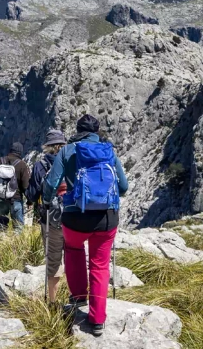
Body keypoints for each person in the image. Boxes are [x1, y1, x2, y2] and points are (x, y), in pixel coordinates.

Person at [44, 114, 129, 336]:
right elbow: (124, 186)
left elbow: (52, 182)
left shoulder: (67, 150)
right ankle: (97, 320)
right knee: (100, 265)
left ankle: (79, 296)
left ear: (78, 129)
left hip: (75, 216)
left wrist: (46, 199)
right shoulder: (108, 150)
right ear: (96, 131)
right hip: (106, 218)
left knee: (73, 249)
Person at [26, 129, 68, 302]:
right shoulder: (72, 162)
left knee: (53, 261)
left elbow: (32, 195)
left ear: (47, 147)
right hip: (75, 219)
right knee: (76, 257)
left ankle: (53, 302)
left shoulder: (40, 166)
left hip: (51, 219)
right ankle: (77, 299)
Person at [0, 142, 30, 232]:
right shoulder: (22, 165)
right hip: (16, 199)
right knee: (18, 226)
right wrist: (29, 201)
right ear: (20, 152)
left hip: (1, 198)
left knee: (2, 224)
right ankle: (16, 245)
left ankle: (2, 242)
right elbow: (25, 185)